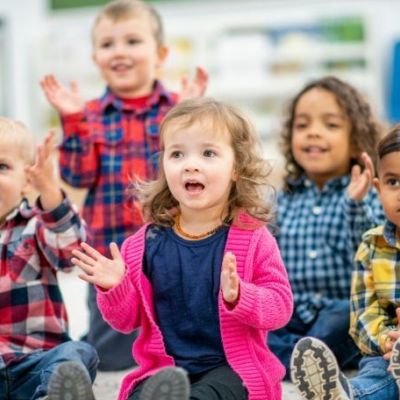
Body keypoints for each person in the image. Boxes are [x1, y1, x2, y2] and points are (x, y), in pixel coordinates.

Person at [70, 97, 294, 400]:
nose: (191, 164)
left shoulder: (253, 237)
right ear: (164, 166)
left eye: (208, 153)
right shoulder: (144, 244)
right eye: (177, 154)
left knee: (210, 394)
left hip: (231, 369)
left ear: (236, 170)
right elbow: (126, 321)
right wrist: (115, 288)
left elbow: (280, 307)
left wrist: (241, 295)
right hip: (165, 369)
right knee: (141, 393)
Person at [40, 0, 208, 371]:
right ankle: (79, 362)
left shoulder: (178, 109)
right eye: (108, 44)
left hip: (171, 247)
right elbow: (76, 176)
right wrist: (73, 120)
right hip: (110, 253)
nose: (120, 52)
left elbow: (199, 172)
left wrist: (192, 116)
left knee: (179, 342)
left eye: (132, 41)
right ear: (96, 57)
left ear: (160, 54)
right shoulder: (89, 116)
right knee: (114, 356)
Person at [267, 76, 386, 378]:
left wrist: (356, 204)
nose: (314, 133)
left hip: (340, 312)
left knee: (346, 320)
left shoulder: (367, 194)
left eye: (330, 125)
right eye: (302, 125)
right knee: (256, 326)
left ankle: (293, 360)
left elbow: (373, 253)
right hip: (293, 311)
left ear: (356, 140)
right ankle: (303, 359)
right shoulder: (282, 200)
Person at [290, 125, 400, 399]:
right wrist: (387, 341)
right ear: (378, 188)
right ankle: (345, 394)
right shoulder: (372, 246)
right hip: (389, 352)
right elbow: (363, 313)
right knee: (376, 374)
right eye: (393, 182)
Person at [0, 117, 98, 400]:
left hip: (37, 364)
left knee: (79, 352)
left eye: (1, 166)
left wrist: (50, 192)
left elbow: (71, 253)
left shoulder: (36, 225)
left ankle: (56, 396)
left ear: (27, 179)